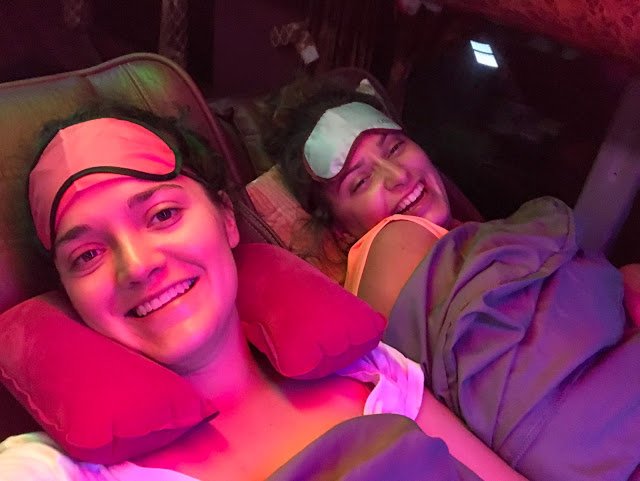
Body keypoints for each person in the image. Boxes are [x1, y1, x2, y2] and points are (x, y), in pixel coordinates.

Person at [0, 105, 513, 481]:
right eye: (87, 255)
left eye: (163, 215)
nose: (136, 265)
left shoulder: (372, 372)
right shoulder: (51, 469)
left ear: (227, 218)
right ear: (69, 294)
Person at [268, 80, 640, 481]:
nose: (397, 175)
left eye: (395, 148)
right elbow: (529, 410)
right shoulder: (388, 242)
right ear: (341, 232)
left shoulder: (458, 242)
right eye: (360, 182)